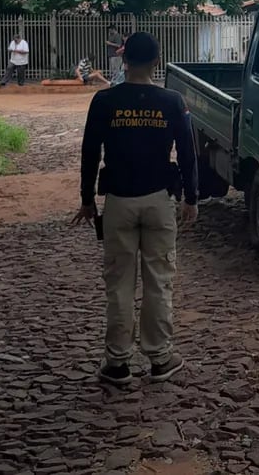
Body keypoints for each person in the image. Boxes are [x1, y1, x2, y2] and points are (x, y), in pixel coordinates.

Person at [72, 32, 199, 386]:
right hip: (159, 201)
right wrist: (192, 198)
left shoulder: (104, 101)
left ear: (124, 62)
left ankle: (117, 363)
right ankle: (160, 358)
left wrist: (86, 199)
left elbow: (89, 152)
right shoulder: (173, 102)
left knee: (119, 284)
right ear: (157, 61)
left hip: (118, 203)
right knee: (159, 281)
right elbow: (187, 154)